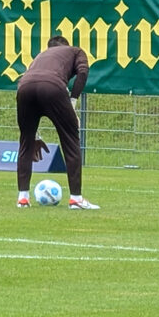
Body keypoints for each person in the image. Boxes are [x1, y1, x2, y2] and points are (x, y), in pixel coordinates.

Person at [15, 35, 99, 210]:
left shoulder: (39, 57)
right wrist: (73, 102)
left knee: (26, 142)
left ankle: (22, 198)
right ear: (65, 46)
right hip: (52, 86)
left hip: (24, 87)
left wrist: (34, 135)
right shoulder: (75, 51)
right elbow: (83, 72)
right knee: (70, 140)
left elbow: (27, 80)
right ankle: (76, 199)